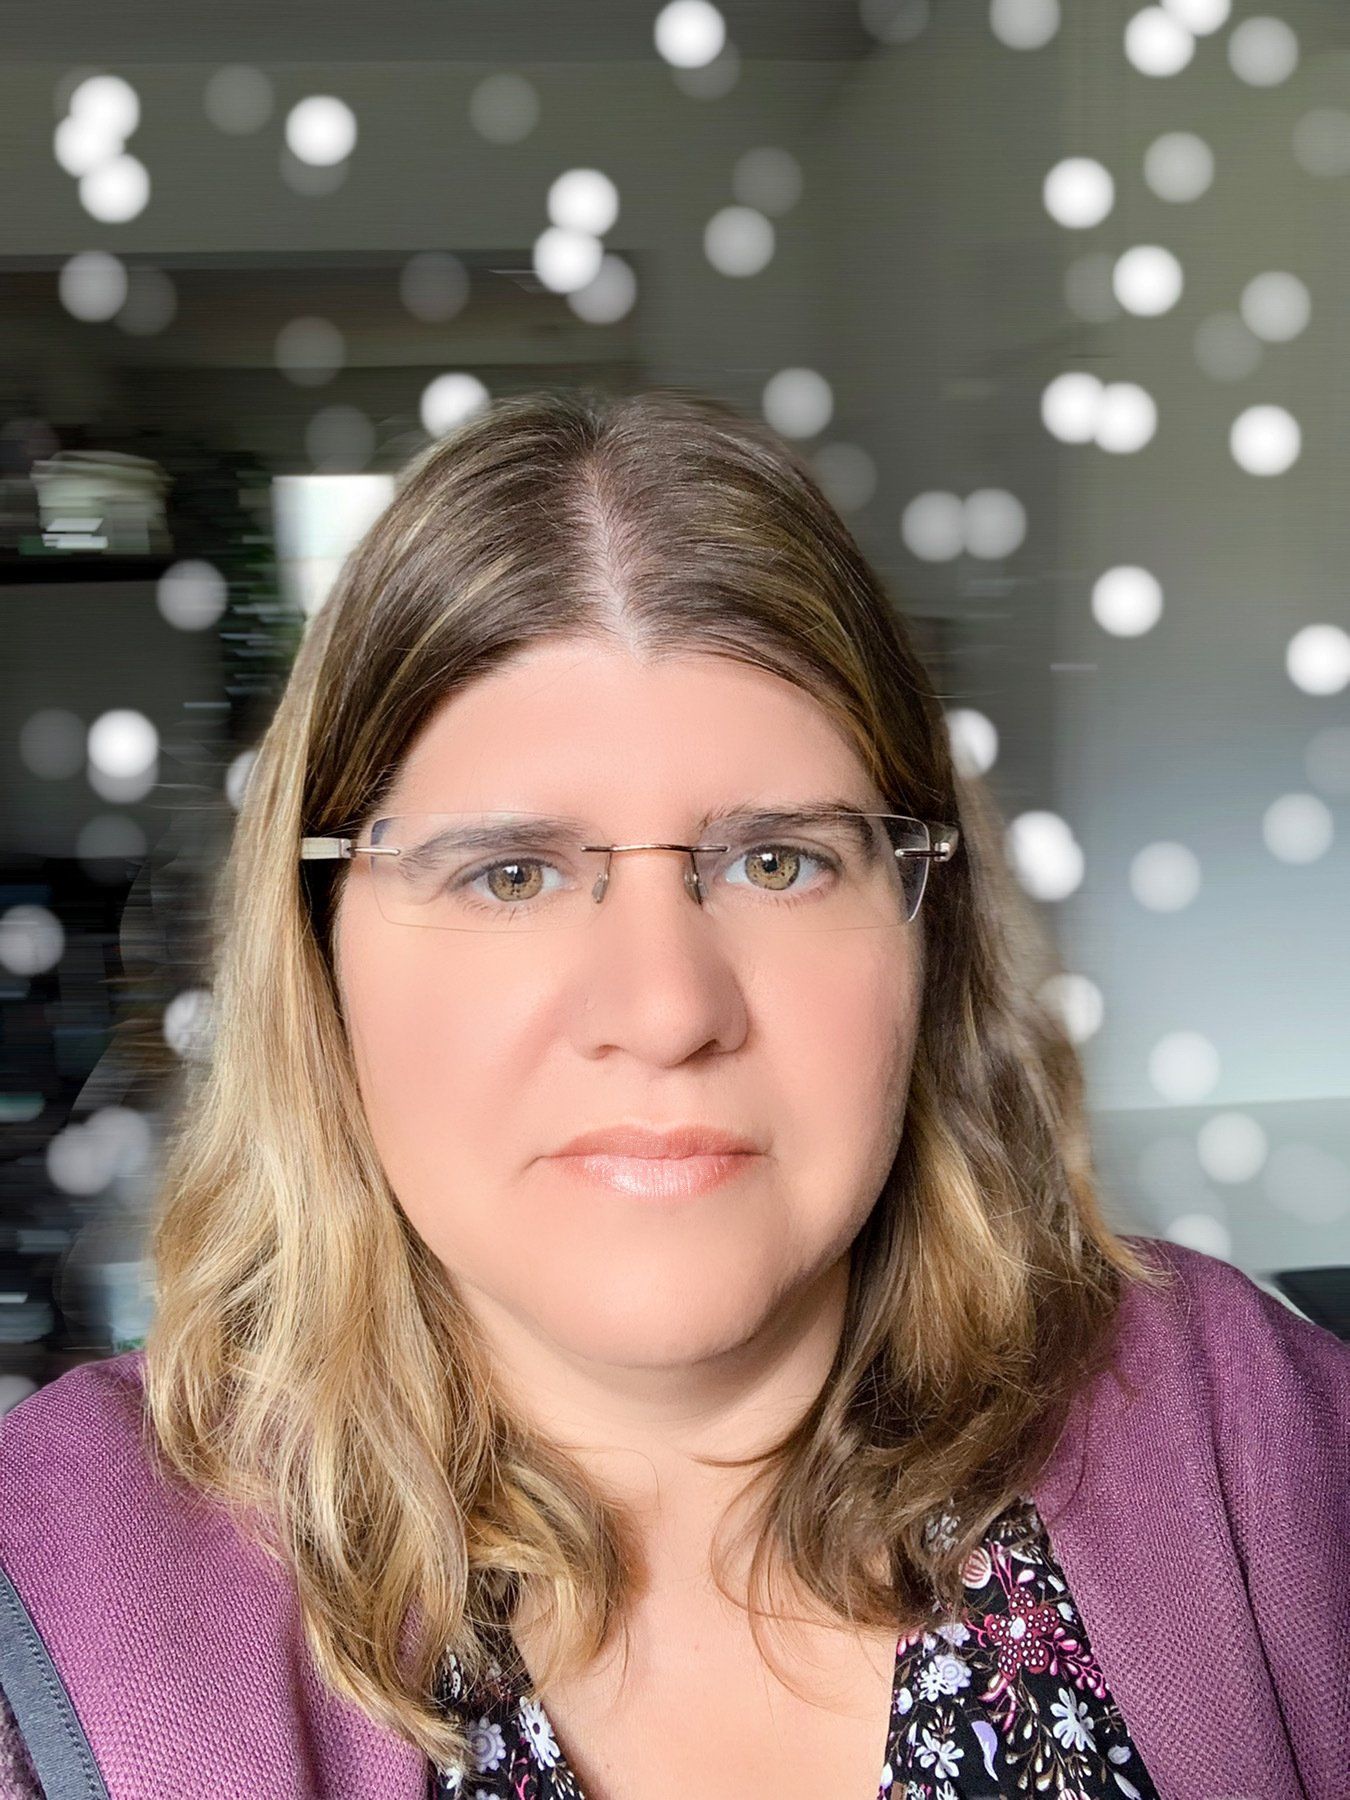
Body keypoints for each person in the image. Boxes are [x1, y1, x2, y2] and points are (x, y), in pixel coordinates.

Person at [1, 386, 1347, 1800]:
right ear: (316, 956)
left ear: (927, 929)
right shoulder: (57, 1611)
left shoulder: (1262, 1453)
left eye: (778, 862)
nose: (666, 1008)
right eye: (509, 875)